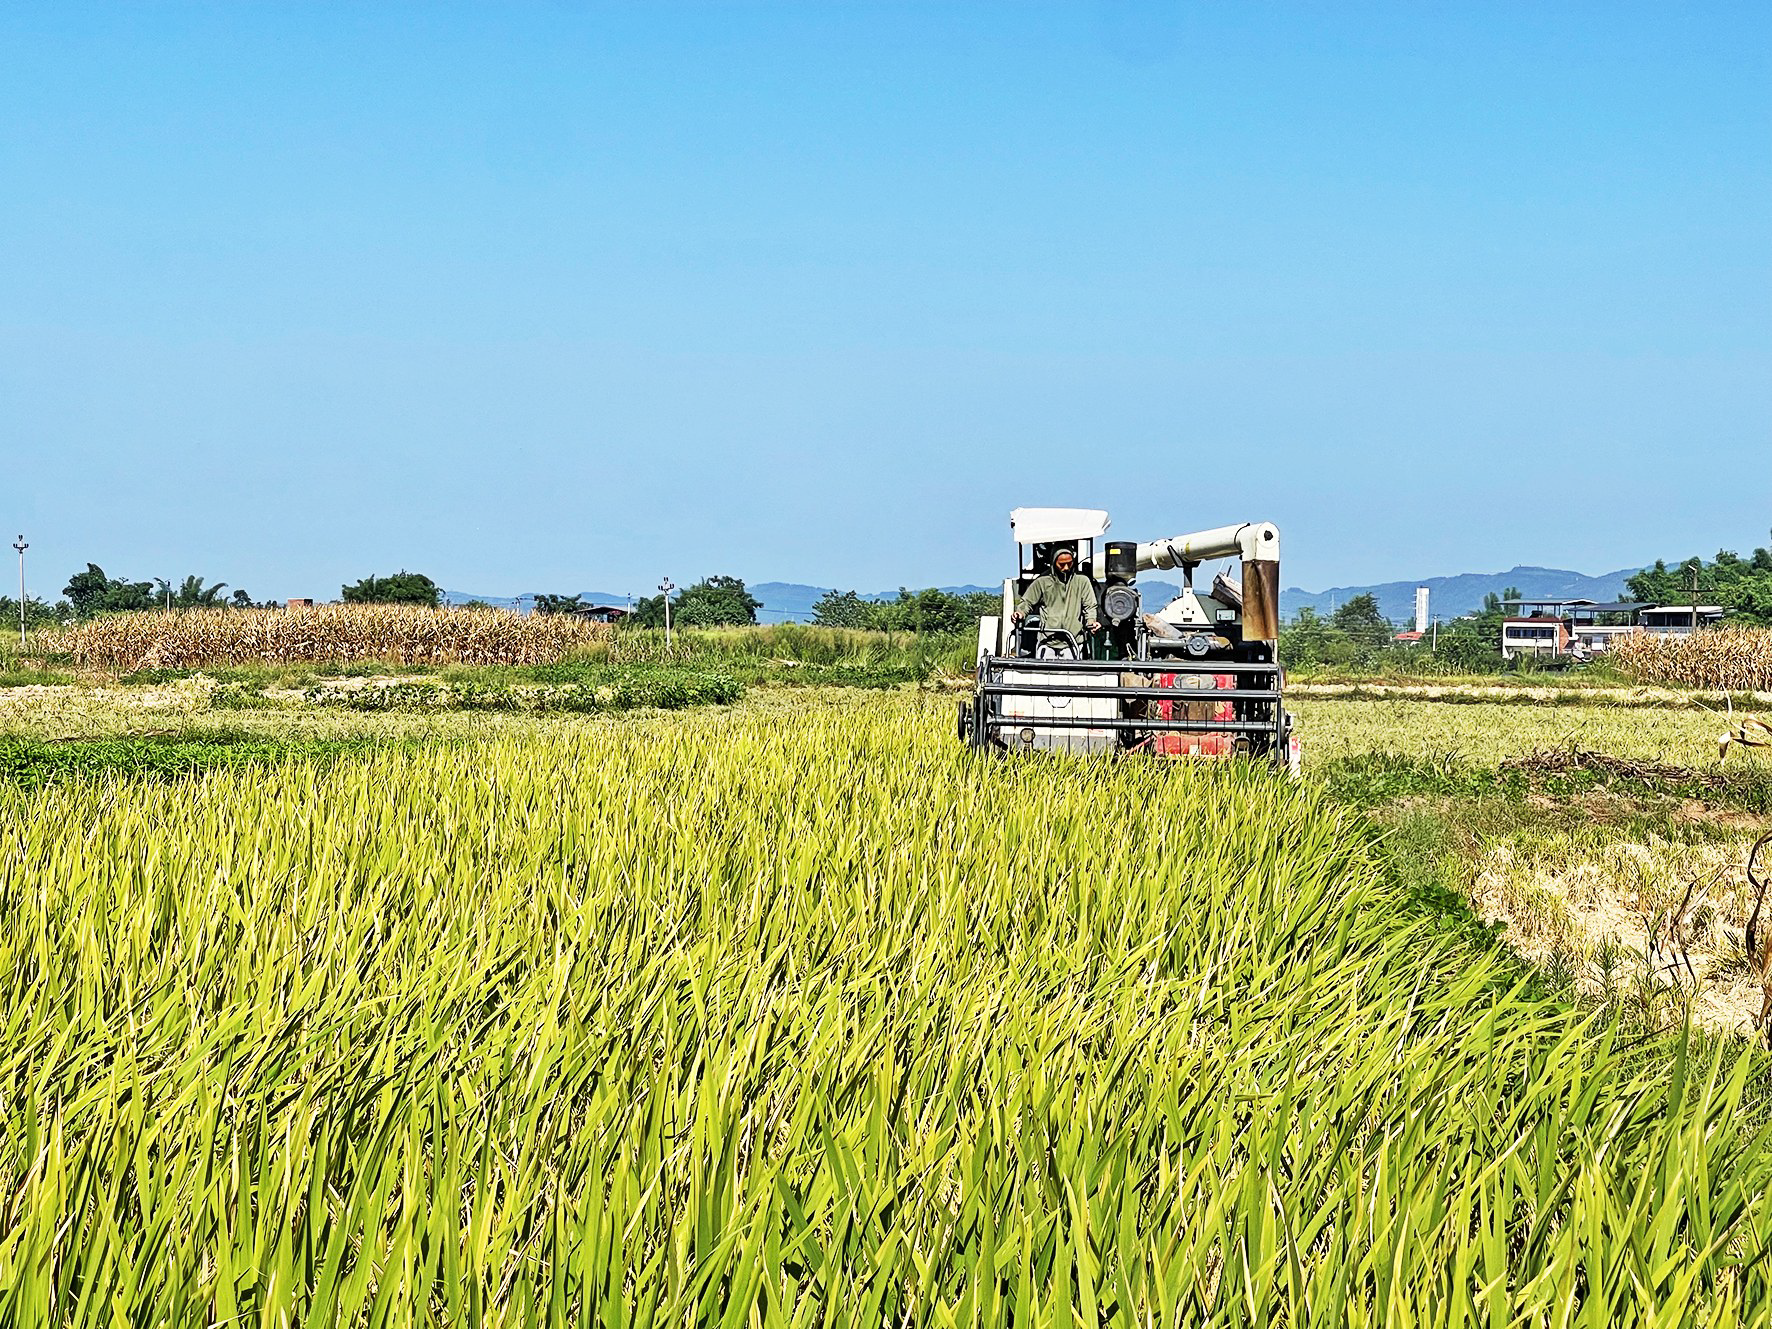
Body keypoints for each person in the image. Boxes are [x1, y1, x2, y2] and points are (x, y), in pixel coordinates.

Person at [1010, 546, 1101, 655]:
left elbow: (1090, 606)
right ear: (1053, 562)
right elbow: (1027, 602)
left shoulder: (1082, 581)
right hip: (1047, 642)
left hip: (1073, 642)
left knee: (1071, 672)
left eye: (1070, 563)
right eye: (1062, 564)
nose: (1066, 568)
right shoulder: (1042, 581)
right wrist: (1020, 613)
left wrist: (1091, 622)